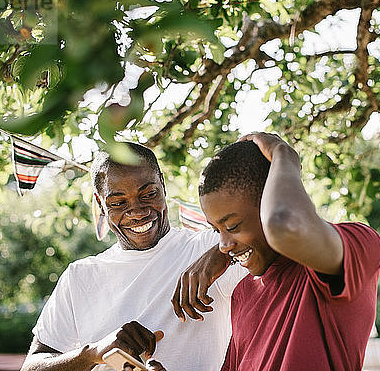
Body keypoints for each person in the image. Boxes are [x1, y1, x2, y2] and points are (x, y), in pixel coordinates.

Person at [21, 142, 244, 371]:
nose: (138, 212)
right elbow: (32, 366)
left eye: (148, 194)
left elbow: (271, 230)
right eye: (118, 202)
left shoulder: (211, 248)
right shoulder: (79, 277)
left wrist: (221, 253)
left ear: (163, 186)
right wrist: (94, 353)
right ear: (100, 204)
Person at [177, 133, 380, 370]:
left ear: (271, 199)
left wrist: (283, 153)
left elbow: (284, 224)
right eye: (217, 230)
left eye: (232, 226)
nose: (223, 244)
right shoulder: (243, 293)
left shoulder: (359, 246)